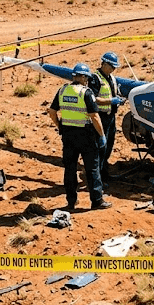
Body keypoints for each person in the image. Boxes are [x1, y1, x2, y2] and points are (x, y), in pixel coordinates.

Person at [49, 63, 112, 211]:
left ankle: (71, 201)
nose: (87, 81)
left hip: (68, 135)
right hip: (86, 135)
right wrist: (102, 135)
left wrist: (60, 126)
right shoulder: (86, 93)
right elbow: (95, 117)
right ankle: (97, 201)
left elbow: (52, 112)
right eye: (87, 78)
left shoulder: (62, 90)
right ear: (83, 77)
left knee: (70, 168)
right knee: (92, 168)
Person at [87, 51, 126, 182]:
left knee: (108, 145)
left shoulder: (111, 78)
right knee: (99, 148)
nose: (113, 69)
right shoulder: (95, 78)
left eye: (115, 67)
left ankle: (104, 174)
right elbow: (94, 99)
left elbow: (113, 92)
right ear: (104, 64)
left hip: (111, 117)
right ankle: (97, 179)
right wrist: (111, 101)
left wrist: (118, 99)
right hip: (100, 117)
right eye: (112, 66)